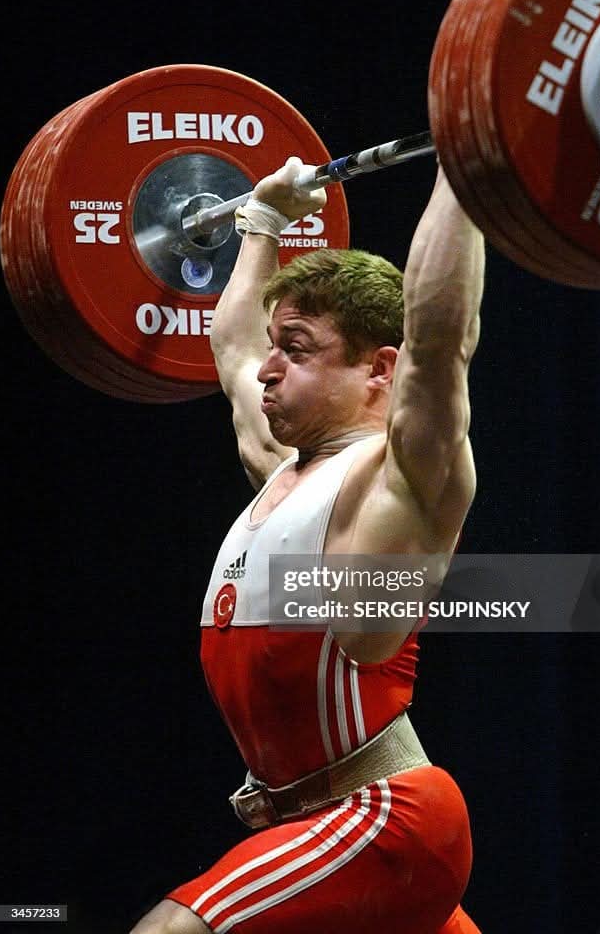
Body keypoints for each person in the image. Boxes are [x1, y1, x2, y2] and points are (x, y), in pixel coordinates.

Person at [130, 156, 485, 934]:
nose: (267, 368)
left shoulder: (397, 480)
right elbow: (231, 352)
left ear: (379, 369)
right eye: (275, 345)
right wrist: (261, 222)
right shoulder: (280, 471)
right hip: (308, 827)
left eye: (295, 348)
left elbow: (438, 340)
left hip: (384, 819)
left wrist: (463, 169)